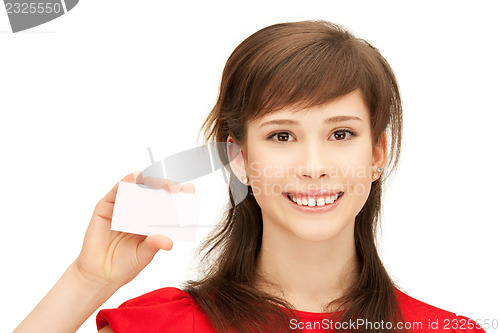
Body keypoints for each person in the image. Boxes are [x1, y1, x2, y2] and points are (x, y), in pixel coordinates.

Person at [14, 20, 487, 333]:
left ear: (378, 152)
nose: (314, 164)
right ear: (238, 157)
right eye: (282, 136)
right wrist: (86, 281)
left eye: (341, 133)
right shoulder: (159, 325)